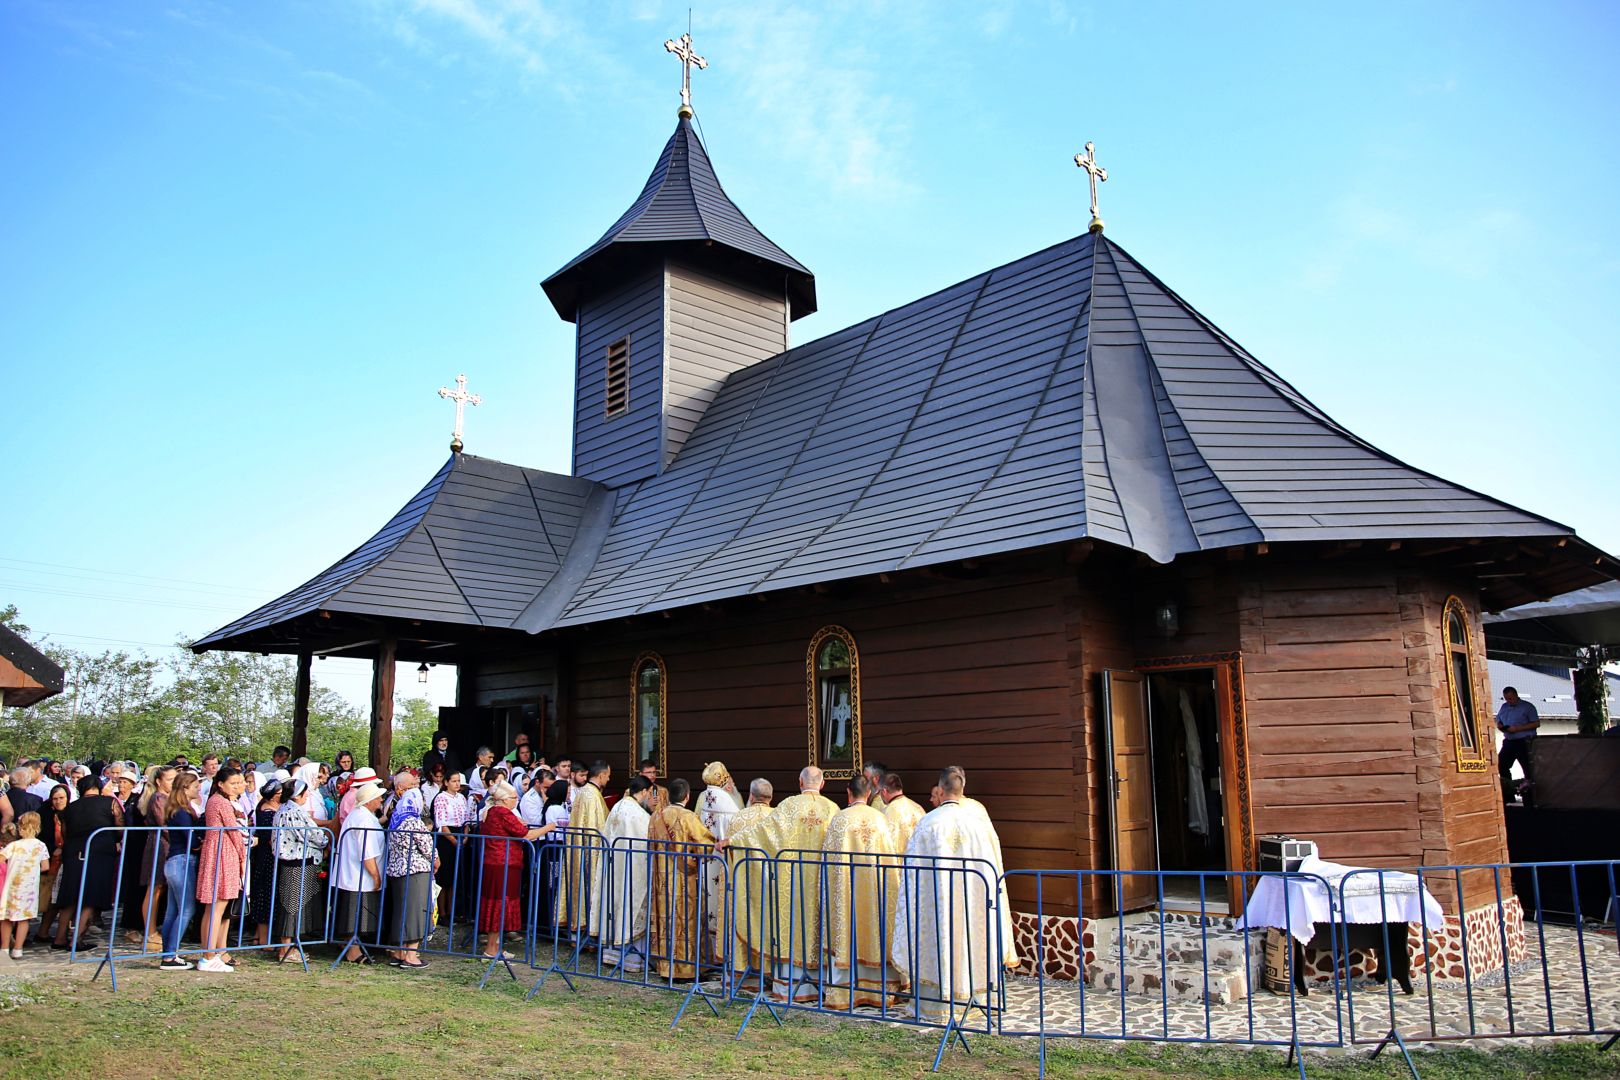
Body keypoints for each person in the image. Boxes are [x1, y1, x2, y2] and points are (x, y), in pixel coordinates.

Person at [895, 768, 1018, 1022]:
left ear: (940, 791)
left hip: (935, 905)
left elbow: (911, 872)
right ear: (961, 790)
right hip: (971, 903)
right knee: (968, 940)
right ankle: (971, 1001)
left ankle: (934, 1006)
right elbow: (991, 865)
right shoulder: (976, 824)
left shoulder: (929, 822)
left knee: (938, 941)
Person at [718, 766, 838, 1001]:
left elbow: (763, 832)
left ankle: (790, 984)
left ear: (800, 782)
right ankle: (819, 984)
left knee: (793, 927)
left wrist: (732, 841)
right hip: (820, 882)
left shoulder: (790, 806)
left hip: (792, 884)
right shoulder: (832, 809)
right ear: (822, 784)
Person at [822, 775, 903, 1008]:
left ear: (849, 792)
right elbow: (891, 861)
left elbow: (828, 863)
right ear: (869, 794)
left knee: (847, 930)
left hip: (846, 893)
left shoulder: (840, 820)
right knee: (874, 928)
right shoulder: (880, 819)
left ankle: (845, 992)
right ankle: (879, 991)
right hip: (875, 891)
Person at [648, 777, 717, 980]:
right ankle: (686, 969)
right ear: (687, 796)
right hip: (683, 879)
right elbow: (705, 843)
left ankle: (665, 966)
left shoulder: (656, 816)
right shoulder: (687, 816)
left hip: (660, 879)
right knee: (684, 921)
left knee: (665, 920)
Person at [479, 781, 554, 960]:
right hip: (503, 863)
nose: (516, 800)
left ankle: (495, 946)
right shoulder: (503, 812)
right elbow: (525, 834)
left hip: (496, 862)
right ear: (504, 800)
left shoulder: (490, 811)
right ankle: (491, 949)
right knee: (500, 903)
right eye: (514, 797)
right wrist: (548, 827)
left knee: (497, 902)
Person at [54, 774, 124, 951]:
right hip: (99, 851)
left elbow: (65, 833)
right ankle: (76, 939)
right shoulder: (110, 803)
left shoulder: (70, 808)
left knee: (70, 895)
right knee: (91, 896)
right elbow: (121, 828)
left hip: (73, 851)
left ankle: (60, 937)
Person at [596, 775, 655, 971]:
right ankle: (631, 959)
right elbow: (646, 844)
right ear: (645, 791)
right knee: (630, 907)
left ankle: (612, 954)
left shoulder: (618, 807)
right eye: (650, 794)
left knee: (615, 906)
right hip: (631, 871)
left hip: (615, 869)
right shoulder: (638, 815)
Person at [271, 777, 329, 962]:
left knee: (294, 903)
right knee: (292, 904)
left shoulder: (285, 809)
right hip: (296, 861)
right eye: (305, 793)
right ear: (298, 795)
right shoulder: (294, 811)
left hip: (296, 860)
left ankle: (290, 946)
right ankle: (285, 948)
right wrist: (326, 839)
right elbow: (311, 834)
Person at [196, 767, 247, 972]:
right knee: (216, 907)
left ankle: (213, 952)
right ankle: (208, 955)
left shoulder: (218, 801)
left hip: (220, 851)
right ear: (221, 784)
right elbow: (234, 832)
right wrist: (243, 856)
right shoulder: (221, 802)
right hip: (223, 852)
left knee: (217, 908)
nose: (237, 787)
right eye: (233, 783)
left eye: (239, 782)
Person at [384, 776, 437, 969]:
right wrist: (436, 860)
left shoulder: (395, 820)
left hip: (397, 871)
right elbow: (427, 847)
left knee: (401, 912)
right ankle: (411, 955)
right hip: (415, 871)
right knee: (415, 912)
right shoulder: (414, 822)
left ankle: (399, 952)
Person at [725, 779, 775, 981]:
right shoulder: (775, 817)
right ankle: (769, 971)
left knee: (743, 917)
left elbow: (728, 854)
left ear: (751, 796)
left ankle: (741, 969)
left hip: (742, 885)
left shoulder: (738, 818)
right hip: (769, 885)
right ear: (770, 798)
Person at [333, 781, 386, 964]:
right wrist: (376, 875)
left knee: (352, 913)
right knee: (354, 916)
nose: (380, 799)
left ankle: (350, 945)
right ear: (369, 800)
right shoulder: (363, 819)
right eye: (378, 797)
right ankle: (352, 951)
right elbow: (367, 852)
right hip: (358, 876)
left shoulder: (360, 815)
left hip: (353, 875)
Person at [695, 762, 741, 963]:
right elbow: (738, 826)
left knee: (708, 901)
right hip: (723, 858)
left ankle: (709, 953)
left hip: (708, 859)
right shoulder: (727, 802)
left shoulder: (705, 797)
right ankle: (724, 953)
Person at [158, 772, 204, 970]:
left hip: (174, 861)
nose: (198, 789)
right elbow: (190, 840)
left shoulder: (176, 809)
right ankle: (170, 955)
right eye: (195, 786)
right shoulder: (182, 812)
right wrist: (200, 843)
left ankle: (168, 953)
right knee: (186, 909)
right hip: (182, 861)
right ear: (185, 788)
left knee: (173, 911)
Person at [560, 760, 609, 938]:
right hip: (590, 852)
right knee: (588, 891)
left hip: (579, 849)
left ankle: (580, 935)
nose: (609, 779)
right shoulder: (591, 795)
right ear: (602, 775)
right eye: (608, 776)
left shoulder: (585, 792)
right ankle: (586, 935)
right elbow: (597, 826)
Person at [136, 765, 176, 949]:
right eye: (169, 779)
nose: (173, 783)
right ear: (159, 781)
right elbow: (164, 823)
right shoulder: (158, 798)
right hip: (160, 845)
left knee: (161, 889)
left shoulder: (169, 797)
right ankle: (150, 931)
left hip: (168, 844)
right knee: (155, 888)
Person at [0, 812, 49, 958]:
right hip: (29, 888)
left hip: (12, 886)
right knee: (23, 919)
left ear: (20, 827)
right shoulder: (41, 846)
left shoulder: (13, 846)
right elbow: (45, 866)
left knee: (7, 918)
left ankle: (4, 948)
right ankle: (18, 949)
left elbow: (1, 859)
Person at [431, 771, 473, 932]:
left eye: (458, 781)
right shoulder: (441, 798)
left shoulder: (461, 798)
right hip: (447, 839)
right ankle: (442, 912)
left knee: (455, 877)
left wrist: (465, 836)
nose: (456, 784)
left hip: (460, 833)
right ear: (446, 782)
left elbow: (467, 818)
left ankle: (451, 910)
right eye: (453, 781)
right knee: (444, 877)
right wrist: (454, 841)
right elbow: (442, 823)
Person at [248, 779, 285, 948]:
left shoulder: (268, 808)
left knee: (268, 894)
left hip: (267, 855)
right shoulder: (267, 812)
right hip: (267, 857)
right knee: (266, 896)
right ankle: (264, 939)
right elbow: (271, 838)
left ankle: (258, 936)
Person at [1496, 686, 1540, 800]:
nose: (1508, 701)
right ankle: (1508, 794)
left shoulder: (1527, 707)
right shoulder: (1504, 707)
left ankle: (1530, 796)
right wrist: (1500, 726)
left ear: (1516, 695)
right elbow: (1499, 719)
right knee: (1501, 764)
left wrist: (1518, 728)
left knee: (1528, 768)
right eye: (1506, 699)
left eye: (1510, 698)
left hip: (1524, 741)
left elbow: (1536, 723)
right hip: (1509, 741)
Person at [880, 772, 926, 852]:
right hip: (919, 861)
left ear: (884, 791)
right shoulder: (918, 808)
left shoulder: (887, 812)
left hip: (899, 862)